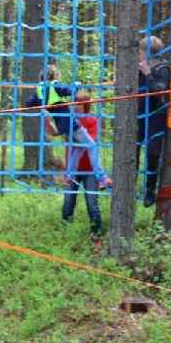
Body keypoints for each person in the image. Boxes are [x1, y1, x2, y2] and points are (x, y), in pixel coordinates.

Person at [25, 65, 112, 189]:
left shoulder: (40, 91)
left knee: (78, 148)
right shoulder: (56, 85)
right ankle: (102, 178)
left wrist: (38, 101)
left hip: (62, 126)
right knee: (92, 146)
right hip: (70, 123)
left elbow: (28, 103)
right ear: (54, 76)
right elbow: (70, 91)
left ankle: (69, 177)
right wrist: (76, 85)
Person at [61, 91, 103, 251]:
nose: (76, 106)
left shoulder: (92, 120)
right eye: (74, 103)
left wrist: (78, 136)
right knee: (68, 203)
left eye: (79, 103)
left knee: (92, 204)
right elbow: (67, 145)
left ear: (86, 105)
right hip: (73, 170)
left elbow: (90, 142)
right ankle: (66, 234)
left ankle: (96, 235)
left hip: (90, 170)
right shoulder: (70, 121)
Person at [137, 36, 170, 208]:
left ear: (147, 52)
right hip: (140, 116)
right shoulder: (142, 66)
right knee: (132, 149)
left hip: (156, 117)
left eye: (141, 51)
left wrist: (148, 73)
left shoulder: (163, 69)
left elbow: (159, 92)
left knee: (152, 154)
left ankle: (150, 190)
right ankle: (129, 184)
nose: (139, 54)